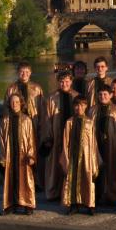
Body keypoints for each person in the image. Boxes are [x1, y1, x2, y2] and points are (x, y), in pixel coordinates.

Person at [41, 70, 78, 201]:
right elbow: (47, 119)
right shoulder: (51, 98)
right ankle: (53, 191)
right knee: (54, 164)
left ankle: (70, 192)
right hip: (56, 135)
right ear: (58, 82)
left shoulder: (76, 96)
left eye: (67, 81)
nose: (64, 84)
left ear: (71, 82)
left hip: (72, 135)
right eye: (62, 81)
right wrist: (48, 137)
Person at [60, 96, 100, 215]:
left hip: (87, 155)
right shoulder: (69, 122)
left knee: (87, 179)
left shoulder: (89, 122)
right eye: (77, 105)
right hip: (73, 155)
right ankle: (74, 204)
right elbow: (65, 141)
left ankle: (89, 204)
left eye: (82, 105)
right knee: (73, 179)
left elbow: (93, 142)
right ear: (74, 107)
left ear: (86, 106)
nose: (79, 108)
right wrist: (65, 157)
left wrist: (94, 159)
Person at [0, 93, 37, 215]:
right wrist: (3, 157)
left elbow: (31, 139)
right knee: (10, 180)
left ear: (21, 103)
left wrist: (31, 156)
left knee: (25, 180)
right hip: (10, 155)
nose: (14, 104)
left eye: (17, 102)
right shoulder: (5, 121)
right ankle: (10, 204)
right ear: (9, 104)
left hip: (23, 155)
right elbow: (2, 139)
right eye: (12, 102)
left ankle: (27, 205)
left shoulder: (27, 120)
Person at [90, 84, 116, 206]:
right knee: (97, 169)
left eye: (105, 94)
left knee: (111, 169)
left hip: (112, 144)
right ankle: (96, 195)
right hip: (96, 143)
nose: (102, 97)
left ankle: (112, 195)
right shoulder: (92, 110)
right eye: (100, 95)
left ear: (110, 95)